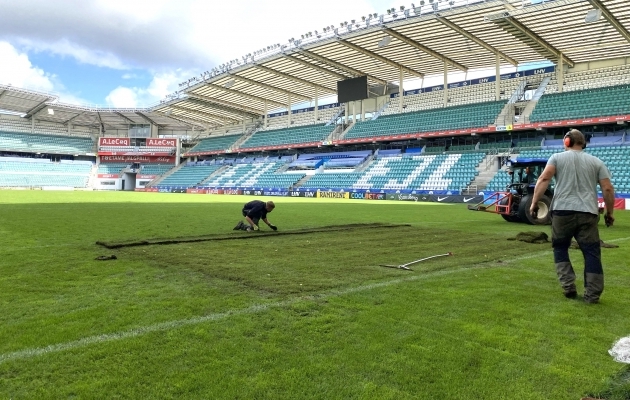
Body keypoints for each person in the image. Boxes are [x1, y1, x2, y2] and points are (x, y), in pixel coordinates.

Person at [530, 129, 615, 303]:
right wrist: (609, 213)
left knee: (560, 248)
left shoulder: (556, 158)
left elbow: (544, 179)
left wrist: (534, 203)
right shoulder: (596, 162)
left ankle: (568, 286)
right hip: (588, 213)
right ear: (582, 143)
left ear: (567, 142)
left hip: (562, 212)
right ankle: (592, 295)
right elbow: (607, 188)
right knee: (591, 252)